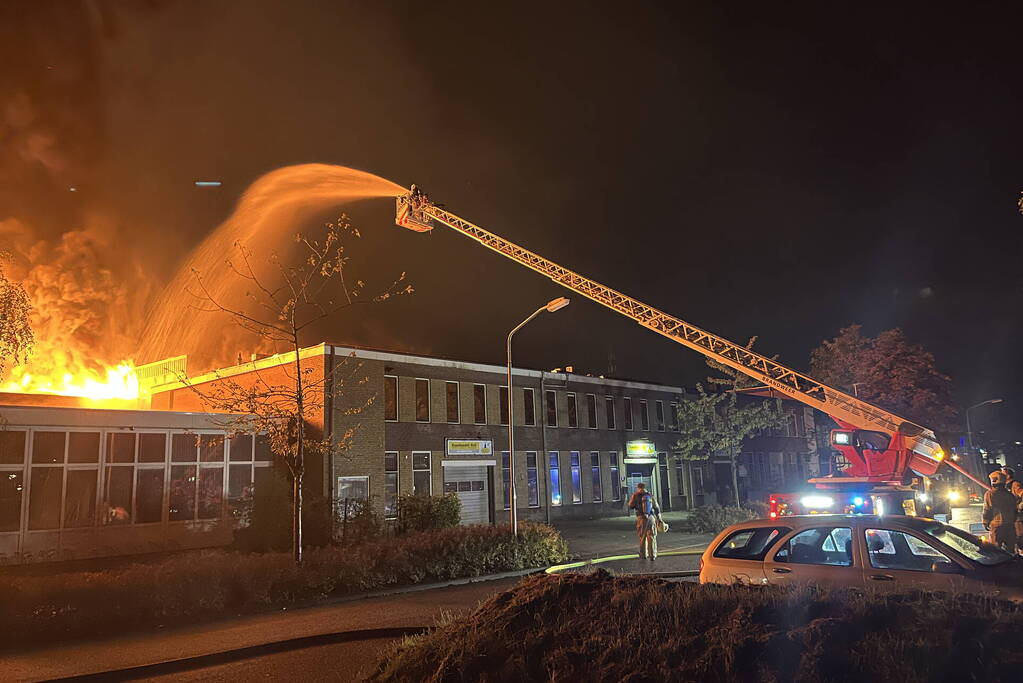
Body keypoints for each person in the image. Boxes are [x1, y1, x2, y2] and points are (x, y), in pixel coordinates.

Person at [982, 470, 1018, 552]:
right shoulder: (1010, 495)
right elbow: (1015, 511)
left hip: (997, 527)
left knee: (995, 550)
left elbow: (987, 509)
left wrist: (985, 521)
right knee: (1010, 551)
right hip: (1010, 526)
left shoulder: (990, 494)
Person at [627, 482, 662, 560]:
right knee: (652, 536)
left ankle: (643, 555)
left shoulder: (635, 495)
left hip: (641, 518)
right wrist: (659, 518)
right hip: (651, 517)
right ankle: (653, 555)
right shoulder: (650, 495)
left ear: (638, 487)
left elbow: (630, 506)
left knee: (642, 537)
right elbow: (656, 507)